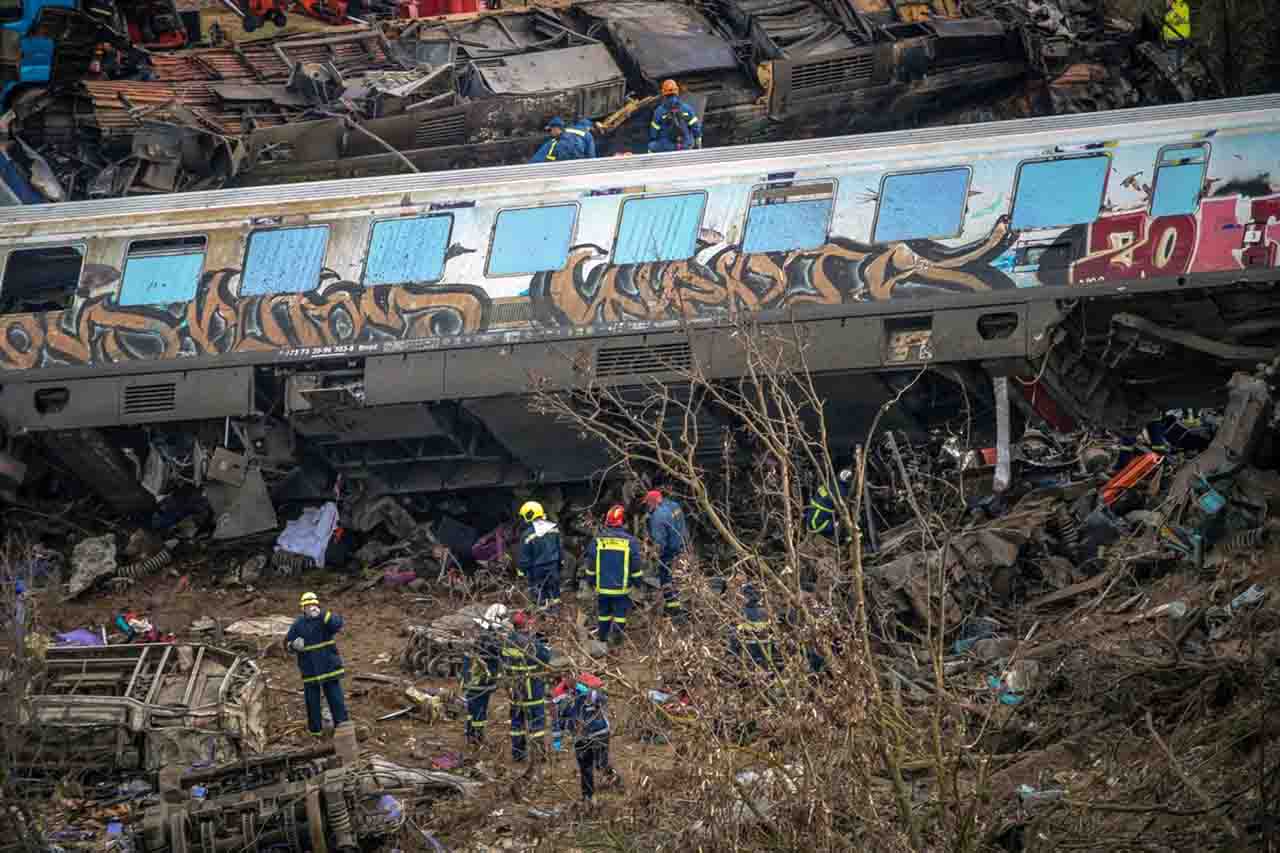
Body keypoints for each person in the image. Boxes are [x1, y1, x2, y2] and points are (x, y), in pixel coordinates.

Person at [286, 592, 349, 737]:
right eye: (308, 606)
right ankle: (315, 732)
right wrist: (292, 646)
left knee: (336, 699)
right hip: (310, 670)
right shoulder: (298, 624)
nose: (311, 608)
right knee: (312, 702)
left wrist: (323, 615)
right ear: (303, 608)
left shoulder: (325, 618)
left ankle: (343, 727)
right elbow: (287, 643)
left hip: (329, 667)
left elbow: (338, 624)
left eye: (314, 605)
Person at [586, 504, 645, 646]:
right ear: (622, 521)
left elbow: (591, 563)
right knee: (620, 615)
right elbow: (635, 565)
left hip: (603, 588)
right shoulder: (631, 542)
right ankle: (617, 641)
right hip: (621, 588)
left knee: (604, 613)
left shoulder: (597, 540)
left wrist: (590, 580)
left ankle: (602, 638)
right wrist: (638, 582)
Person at [502, 610, 554, 764]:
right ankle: (538, 755)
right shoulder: (531, 643)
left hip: (514, 690)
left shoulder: (507, 641)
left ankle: (518, 754)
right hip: (532, 689)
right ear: (526, 624)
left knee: (517, 724)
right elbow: (546, 657)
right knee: (536, 725)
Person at [561, 678, 622, 805]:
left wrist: (590, 694)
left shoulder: (587, 694)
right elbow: (562, 718)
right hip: (581, 737)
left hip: (599, 733)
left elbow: (603, 699)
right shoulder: (563, 696)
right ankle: (588, 796)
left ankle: (612, 777)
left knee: (600, 763)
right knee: (585, 767)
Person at [462, 604, 507, 746]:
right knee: (479, 710)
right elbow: (500, 654)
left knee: (472, 709)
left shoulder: (481, 634)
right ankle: (477, 738)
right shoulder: (490, 639)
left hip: (471, 679)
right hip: (481, 682)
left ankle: (471, 736)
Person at [644, 489, 687, 618]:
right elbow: (682, 525)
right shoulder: (674, 505)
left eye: (648, 504)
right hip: (680, 544)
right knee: (678, 577)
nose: (648, 507)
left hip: (669, 550)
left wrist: (653, 555)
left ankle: (672, 608)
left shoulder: (657, 517)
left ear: (653, 503)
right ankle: (679, 603)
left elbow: (659, 541)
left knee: (666, 578)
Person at [517, 501, 563, 613]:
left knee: (540, 594)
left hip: (537, 570)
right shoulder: (554, 528)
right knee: (555, 592)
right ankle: (556, 614)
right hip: (553, 566)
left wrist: (521, 571)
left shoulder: (527, 535)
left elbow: (525, 558)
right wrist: (560, 563)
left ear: (529, 515)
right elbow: (560, 548)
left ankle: (544, 618)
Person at [648, 79, 702, 153]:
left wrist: (654, 141)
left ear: (663, 92)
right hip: (685, 145)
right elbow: (695, 127)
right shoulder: (686, 108)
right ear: (677, 92)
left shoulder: (659, 111)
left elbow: (653, 133)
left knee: (651, 145)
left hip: (667, 147)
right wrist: (698, 140)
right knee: (691, 138)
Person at [803, 468, 853, 541]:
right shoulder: (841, 491)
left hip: (816, 516)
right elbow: (815, 525)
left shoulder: (831, 484)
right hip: (817, 519)